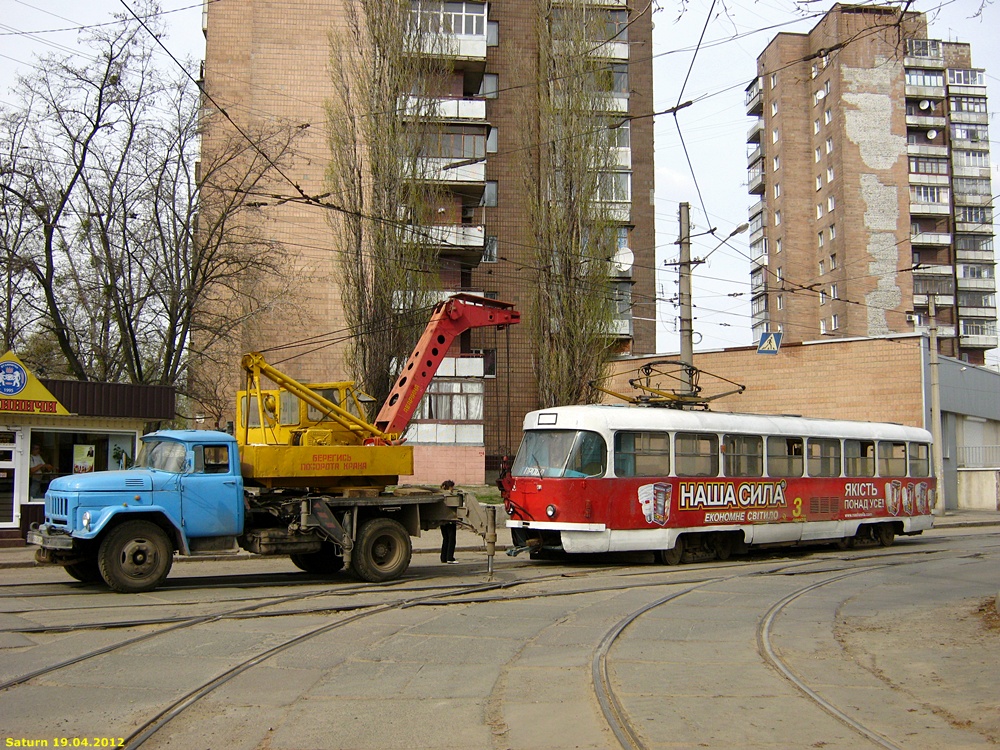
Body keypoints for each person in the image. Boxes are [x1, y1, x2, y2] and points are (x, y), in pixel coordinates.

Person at [440, 480, 457, 564]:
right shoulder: (450, 496)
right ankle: (450, 557)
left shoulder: (441, 494)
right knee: (451, 539)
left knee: (445, 538)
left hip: (442, 520)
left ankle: (444, 557)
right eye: (452, 487)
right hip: (450, 520)